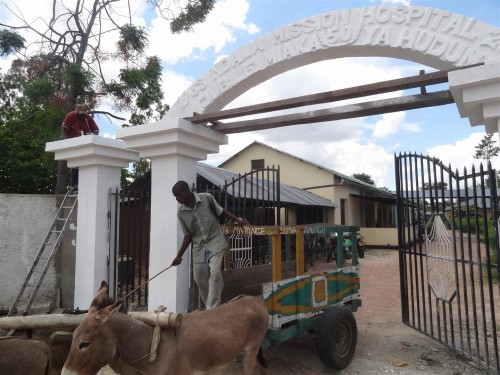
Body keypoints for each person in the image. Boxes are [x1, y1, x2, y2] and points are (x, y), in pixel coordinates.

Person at [171, 180, 247, 310]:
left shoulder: (206, 198)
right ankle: (210, 307)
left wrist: (237, 219)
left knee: (215, 274)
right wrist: (178, 256)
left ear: (185, 190)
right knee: (200, 279)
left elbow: (221, 211)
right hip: (199, 248)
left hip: (215, 242)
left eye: (178, 195)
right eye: (175, 197)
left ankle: (212, 308)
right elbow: (188, 235)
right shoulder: (181, 213)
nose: (177, 199)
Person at [61, 104, 100, 190]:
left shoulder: (87, 118)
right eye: (81, 113)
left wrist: (93, 134)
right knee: (75, 164)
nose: (82, 115)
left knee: (86, 163)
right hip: (73, 143)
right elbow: (64, 129)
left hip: (85, 143)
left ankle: (85, 184)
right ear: (76, 110)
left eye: (84, 113)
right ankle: (75, 185)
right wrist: (65, 142)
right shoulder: (70, 116)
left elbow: (96, 130)